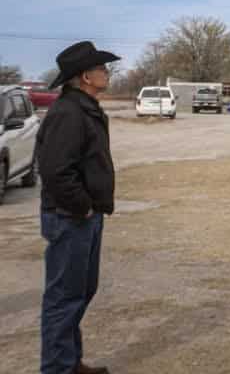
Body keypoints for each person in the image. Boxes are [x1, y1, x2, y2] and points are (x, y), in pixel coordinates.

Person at [37, 41, 121, 374]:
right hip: (69, 218)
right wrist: (82, 207)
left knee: (81, 292)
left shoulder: (84, 107)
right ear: (85, 76)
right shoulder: (68, 112)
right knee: (64, 299)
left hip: (84, 217)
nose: (106, 73)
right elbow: (56, 170)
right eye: (101, 68)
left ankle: (69, 361)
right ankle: (58, 367)